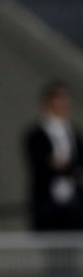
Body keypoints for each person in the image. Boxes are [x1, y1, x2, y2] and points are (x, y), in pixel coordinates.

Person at [24, 80, 83, 230]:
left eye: (64, 99)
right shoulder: (35, 135)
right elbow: (39, 163)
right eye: (57, 98)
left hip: (73, 201)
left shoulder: (74, 133)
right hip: (47, 202)